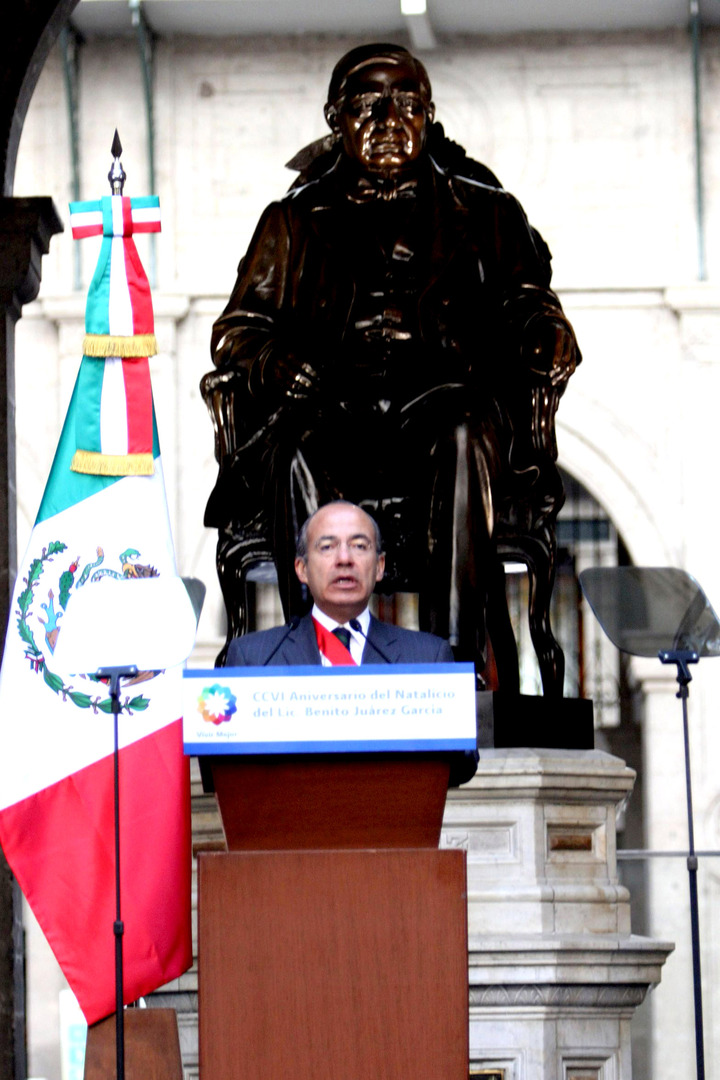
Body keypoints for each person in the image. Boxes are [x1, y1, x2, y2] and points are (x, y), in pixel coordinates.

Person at [204, 43, 580, 688]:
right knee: (292, 446)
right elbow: (237, 331)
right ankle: (316, 664)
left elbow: (526, 302)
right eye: (367, 103)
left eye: (407, 103)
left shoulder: (487, 211)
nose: (388, 117)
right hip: (331, 407)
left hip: (442, 402)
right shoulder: (293, 220)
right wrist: (276, 360)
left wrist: (547, 331)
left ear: (428, 116)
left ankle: (455, 671)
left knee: (463, 432)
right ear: (335, 117)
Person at [226, 501, 454, 667]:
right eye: (327, 547)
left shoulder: (428, 657)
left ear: (379, 566)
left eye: (359, 546)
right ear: (302, 569)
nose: (344, 559)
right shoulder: (253, 658)